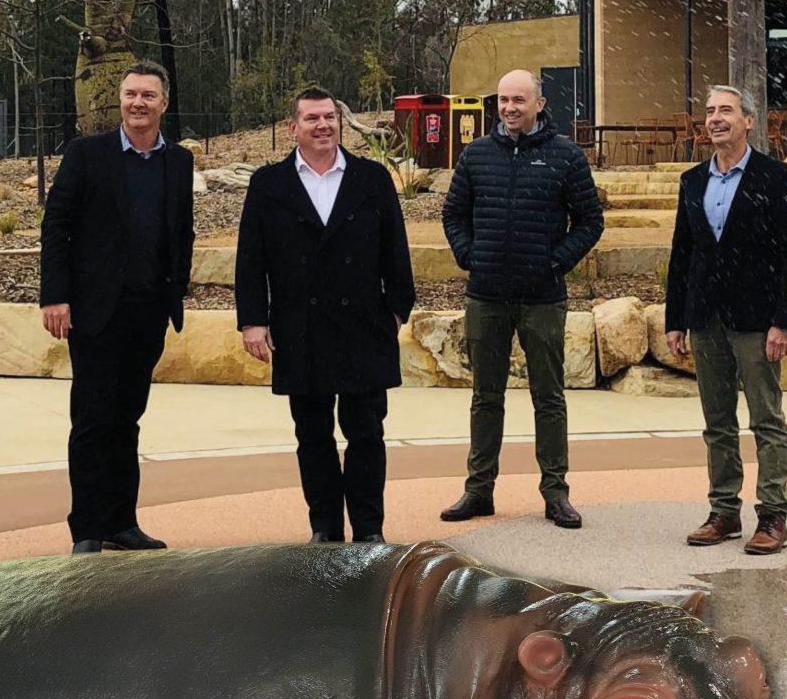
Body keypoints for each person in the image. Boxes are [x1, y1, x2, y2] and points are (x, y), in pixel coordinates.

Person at [235, 86, 415, 544]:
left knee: (366, 433)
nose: (323, 125)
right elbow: (250, 259)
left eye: (330, 117)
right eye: (312, 118)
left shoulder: (372, 179)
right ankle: (325, 528)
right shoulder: (268, 185)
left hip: (364, 327)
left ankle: (369, 529)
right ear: (293, 128)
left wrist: (397, 309)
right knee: (312, 435)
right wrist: (253, 321)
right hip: (299, 329)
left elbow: (396, 250)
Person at [40, 61, 195, 554]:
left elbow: (182, 231)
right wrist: (55, 295)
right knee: (91, 420)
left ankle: (121, 522)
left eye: (148, 95)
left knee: (128, 418)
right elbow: (56, 226)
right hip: (95, 311)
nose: (138, 103)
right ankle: (86, 529)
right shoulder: (88, 155)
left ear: (164, 103)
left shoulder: (180, 162)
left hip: (149, 311)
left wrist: (178, 289)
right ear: (120, 100)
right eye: (131, 94)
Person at [440, 68, 604, 529]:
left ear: (539, 104)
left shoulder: (565, 157)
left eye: (518, 100)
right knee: (484, 397)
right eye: (503, 100)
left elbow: (590, 221)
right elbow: (453, 213)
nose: (509, 108)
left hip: (542, 298)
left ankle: (555, 492)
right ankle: (478, 490)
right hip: (486, 296)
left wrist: (554, 263)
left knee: (548, 398)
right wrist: (472, 256)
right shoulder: (476, 155)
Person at [665, 85, 787, 555]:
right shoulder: (692, 181)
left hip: (757, 320)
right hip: (706, 319)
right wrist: (675, 319)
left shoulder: (778, 178)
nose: (715, 119)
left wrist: (785, 320)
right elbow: (682, 255)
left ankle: (772, 515)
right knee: (717, 421)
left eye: (725, 110)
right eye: (709, 112)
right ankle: (724, 511)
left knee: (766, 419)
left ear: (750, 120)